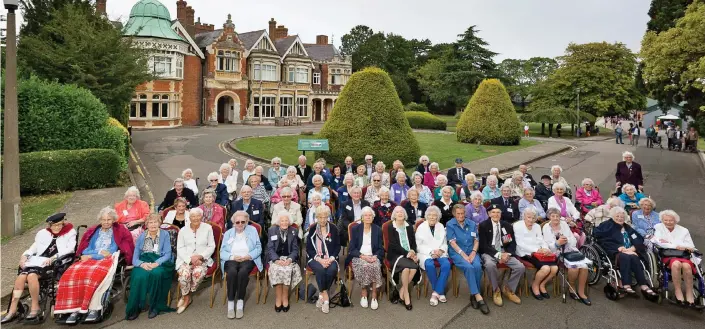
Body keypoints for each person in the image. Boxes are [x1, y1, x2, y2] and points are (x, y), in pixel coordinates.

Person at [54, 207, 134, 324]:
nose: (106, 222)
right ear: (100, 220)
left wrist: (93, 256)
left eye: (109, 219)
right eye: (104, 219)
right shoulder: (94, 231)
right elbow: (86, 249)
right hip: (90, 258)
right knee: (71, 274)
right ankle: (73, 309)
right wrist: (91, 255)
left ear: (113, 220)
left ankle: (93, 308)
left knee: (92, 275)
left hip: (106, 260)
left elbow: (110, 251)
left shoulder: (119, 230)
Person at [2, 213, 77, 323]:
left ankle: (35, 306)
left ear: (63, 223)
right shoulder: (43, 234)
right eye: (54, 225)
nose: (57, 228)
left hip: (55, 262)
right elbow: (34, 247)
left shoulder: (70, 232)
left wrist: (54, 257)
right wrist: (25, 256)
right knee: (21, 277)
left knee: (32, 276)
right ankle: (13, 309)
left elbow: (70, 249)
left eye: (59, 225)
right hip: (39, 261)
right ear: (49, 225)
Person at [593, 207, 658, 299]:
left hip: (630, 251)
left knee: (635, 258)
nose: (620, 218)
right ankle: (626, 285)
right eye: (617, 216)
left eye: (622, 217)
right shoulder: (607, 225)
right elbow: (601, 238)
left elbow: (639, 239)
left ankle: (644, 285)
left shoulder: (628, 228)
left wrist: (633, 248)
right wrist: (619, 248)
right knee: (626, 257)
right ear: (612, 216)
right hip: (615, 252)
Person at [126, 214, 174, 320]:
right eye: (150, 222)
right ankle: (136, 307)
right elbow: (135, 259)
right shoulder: (142, 236)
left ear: (159, 223)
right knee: (138, 276)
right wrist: (142, 264)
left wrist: (156, 263)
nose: (153, 224)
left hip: (160, 261)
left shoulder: (165, 234)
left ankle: (155, 307)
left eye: (155, 222)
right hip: (144, 261)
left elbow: (167, 254)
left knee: (156, 274)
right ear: (146, 225)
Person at [543, 208, 591, 305]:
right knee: (574, 269)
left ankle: (581, 292)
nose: (555, 218)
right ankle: (572, 286)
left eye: (557, 216)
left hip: (571, 250)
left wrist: (566, 240)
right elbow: (548, 246)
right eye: (553, 216)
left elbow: (573, 240)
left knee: (584, 267)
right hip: (557, 252)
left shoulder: (564, 224)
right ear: (549, 217)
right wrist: (557, 243)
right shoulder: (546, 227)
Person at [479, 204, 525, 307]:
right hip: (489, 252)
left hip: (504, 251)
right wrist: (498, 255)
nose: (496, 214)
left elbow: (512, 243)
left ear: (501, 214)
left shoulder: (507, 225)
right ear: (489, 214)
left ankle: (509, 289)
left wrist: (507, 254)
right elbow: (483, 246)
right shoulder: (483, 225)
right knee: (490, 265)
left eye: (498, 212)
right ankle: (496, 290)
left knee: (520, 267)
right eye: (493, 212)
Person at [651, 210, 698, 307]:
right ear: (662, 220)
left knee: (686, 266)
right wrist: (677, 245)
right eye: (665, 220)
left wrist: (669, 244)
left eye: (671, 220)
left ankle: (689, 293)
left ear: (675, 221)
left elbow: (691, 246)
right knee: (676, 264)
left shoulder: (684, 230)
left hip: (683, 255)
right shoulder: (658, 227)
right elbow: (659, 242)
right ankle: (678, 291)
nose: (668, 222)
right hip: (668, 255)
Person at [446, 205, 488, 314]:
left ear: (465, 213)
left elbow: (476, 240)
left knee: (478, 266)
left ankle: (473, 295)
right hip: (457, 253)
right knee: (469, 267)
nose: (461, 216)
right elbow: (452, 242)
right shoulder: (450, 224)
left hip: (471, 251)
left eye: (462, 213)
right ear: (454, 214)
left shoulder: (472, 224)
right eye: (458, 214)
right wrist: (463, 255)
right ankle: (478, 296)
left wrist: (473, 252)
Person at [220, 211, 262, 319]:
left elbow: (258, 247)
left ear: (246, 221)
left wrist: (249, 255)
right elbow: (222, 252)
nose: (240, 224)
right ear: (233, 222)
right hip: (232, 258)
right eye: (237, 222)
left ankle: (240, 301)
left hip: (247, 258)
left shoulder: (252, 231)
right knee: (232, 272)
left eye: (243, 222)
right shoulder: (228, 233)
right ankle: (230, 303)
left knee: (243, 272)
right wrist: (232, 257)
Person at [175, 208, 216, 314]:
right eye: (193, 216)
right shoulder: (183, 230)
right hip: (185, 259)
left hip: (202, 259)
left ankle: (186, 294)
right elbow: (180, 248)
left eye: (198, 216)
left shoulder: (208, 228)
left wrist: (200, 256)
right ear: (189, 218)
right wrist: (189, 260)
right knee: (184, 275)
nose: (196, 218)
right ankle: (187, 297)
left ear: (201, 217)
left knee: (198, 273)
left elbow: (211, 246)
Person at [513, 207, 557, 301]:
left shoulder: (537, 226)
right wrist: (537, 250)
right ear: (524, 216)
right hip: (525, 252)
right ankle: (534, 286)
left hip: (539, 252)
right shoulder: (517, 225)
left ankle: (542, 284)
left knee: (555, 268)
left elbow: (541, 240)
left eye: (533, 218)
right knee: (545, 268)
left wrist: (545, 248)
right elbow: (520, 243)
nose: (531, 220)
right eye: (529, 217)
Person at [346, 207, 384, 310]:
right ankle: (364, 292)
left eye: (370, 215)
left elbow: (381, 248)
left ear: (373, 217)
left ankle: (374, 294)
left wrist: (375, 256)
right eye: (366, 215)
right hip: (359, 256)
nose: (368, 217)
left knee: (375, 265)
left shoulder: (377, 229)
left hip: (373, 256)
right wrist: (363, 256)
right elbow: (352, 248)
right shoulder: (355, 229)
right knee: (365, 265)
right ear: (362, 218)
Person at [306, 205, 341, 314]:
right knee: (320, 270)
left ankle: (321, 294)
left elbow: (337, 246)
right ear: (317, 217)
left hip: (330, 257)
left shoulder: (334, 228)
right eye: (320, 217)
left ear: (328, 217)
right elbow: (309, 248)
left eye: (325, 217)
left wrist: (330, 258)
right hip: (316, 258)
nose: (322, 220)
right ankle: (325, 296)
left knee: (331, 270)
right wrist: (320, 260)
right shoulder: (312, 229)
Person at [416, 206, 451, 307]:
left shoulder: (440, 226)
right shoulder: (421, 227)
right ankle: (440, 292)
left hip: (440, 252)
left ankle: (435, 293)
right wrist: (431, 252)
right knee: (429, 265)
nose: (432, 217)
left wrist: (441, 250)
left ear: (438, 217)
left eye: (434, 215)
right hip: (425, 253)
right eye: (430, 215)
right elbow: (419, 245)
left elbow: (444, 242)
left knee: (446, 264)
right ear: (426, 216)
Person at [387, 206, 421, 310]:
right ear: (394, 215)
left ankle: (402, 291)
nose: (400, 213)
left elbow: (413, 243)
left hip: (409, 253)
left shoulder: (409, 226)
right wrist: (408, 253)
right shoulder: (390, 227)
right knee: (413, 267)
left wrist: (413, 251)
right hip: (396, 254)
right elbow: (393, 245)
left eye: (402, 211)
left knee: (409, 268)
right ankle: (406, 295)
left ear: (404, 214)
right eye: (397, 212)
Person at [267, 212, 302, 313]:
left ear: (289, 222)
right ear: (278, 222)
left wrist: (290, 259)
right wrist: (276, 260)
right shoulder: (272, 230)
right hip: (276, 258)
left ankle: (285, 297)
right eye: (282, 220)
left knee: (288, 270)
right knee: (276, 270)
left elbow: (295, 250)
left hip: (288, 258)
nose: (284, 222)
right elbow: (270, 248)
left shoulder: (294, 231)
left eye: (286, 220)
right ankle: (278, 298)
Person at [547, 182, 583, 246]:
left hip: (571, 222)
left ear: (564, 191)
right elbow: (552, 214)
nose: (559, 191)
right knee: (576, 236)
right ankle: (574, 250)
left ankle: (580, 249)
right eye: (557, 189)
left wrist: (572, 218)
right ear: (554, 190)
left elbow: (575, 211)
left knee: (583, 235)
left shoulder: (567, 199)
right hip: (559, 222)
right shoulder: (551, 199)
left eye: (561, 189)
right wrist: (566, 220)